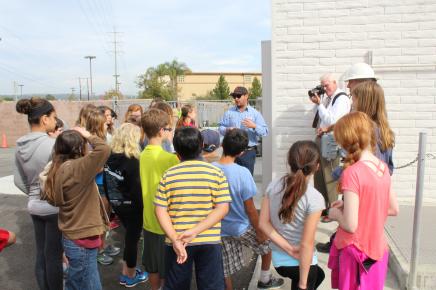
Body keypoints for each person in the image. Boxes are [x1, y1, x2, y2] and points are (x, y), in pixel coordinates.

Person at [327, 112, 399, 290]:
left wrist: (335, 214)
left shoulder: (352, 173)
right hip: (377, 250)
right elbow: (392, 208)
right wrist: (353, 203)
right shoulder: (382, 167)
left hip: (356, 253)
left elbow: (350, 225)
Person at [154, 127, 232, 290]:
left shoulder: (169, 175)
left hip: (178, 241)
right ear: (202, 145)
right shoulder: (216, 173)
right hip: (209, 240)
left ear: (176, 152)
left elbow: (160, 210)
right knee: (211, 285)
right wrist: (196, 230)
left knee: (176, 285)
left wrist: (175, 238)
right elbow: (222, 208)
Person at [315, 64, 379, 253]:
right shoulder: (336, 100)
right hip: (352, 165)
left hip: (353, 167)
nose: (349, 88)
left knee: (334, 185)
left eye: (351, 84)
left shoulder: (342, 100)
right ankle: (339, 239)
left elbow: (332, 121)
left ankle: (344, 242)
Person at [212, 129, 284, 290]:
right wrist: (260, 231)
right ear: (242, 152)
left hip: (218, 229)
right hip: (241, 227)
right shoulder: (243, 173)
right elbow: (250, 208)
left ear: (222, 144)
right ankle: (265, 279)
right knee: (267, 245)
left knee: (224, 269)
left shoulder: (211, 169)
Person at [42, 127, 111, 290]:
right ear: (79, 148)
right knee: (86, 284)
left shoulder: (58, 167)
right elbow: (104, 149)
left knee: (79, 281)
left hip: (71, 234)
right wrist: (87, 134)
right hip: (82, 236)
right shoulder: (77, 168)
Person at [259, 141, 325, 290]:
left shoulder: (273, 186)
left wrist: (288, 248)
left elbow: (263, 223)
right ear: (317, 167)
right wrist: (303, 283)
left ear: (290, 162)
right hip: (300, 262)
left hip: (278, 260)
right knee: (311, 277)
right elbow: (306, 244)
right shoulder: (315, 198)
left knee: (320, 275)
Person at [14, 98, 63, 290]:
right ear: (44, 119)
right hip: (52, 206)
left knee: (41, 254)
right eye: (53, 117)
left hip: (34, 205)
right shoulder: (53, 145)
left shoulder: (19, 145)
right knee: (54, 256)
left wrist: (34, 193)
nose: (56, 121)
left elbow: (19, 180)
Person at [104, 123, 149, 287]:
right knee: (132, 240)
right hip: (132, 207)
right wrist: (144, 207)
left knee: (129, 238)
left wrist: (114, 204)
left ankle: (127, 270)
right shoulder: (133, 162)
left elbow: (108, 184)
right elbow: (137, 191)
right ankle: (129, 275)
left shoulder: (110, 158)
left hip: (117, 204)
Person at [140, 108, 179, 290]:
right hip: (167, 222)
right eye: (168, 128)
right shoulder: (169, 159)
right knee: (169, 267)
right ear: (162, 131)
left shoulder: (142, 155)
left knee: (153, 266)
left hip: (149, 221)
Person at [309, 73, 351, 220]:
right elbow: (319, 117)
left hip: (332, 141)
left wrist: (320, 104)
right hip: (322, 139)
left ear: (335, 83)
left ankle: (333, 210)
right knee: (319, 175)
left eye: (326, 85)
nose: (325, 88)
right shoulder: (328, 98)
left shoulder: (341, 99)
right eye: (323, 86)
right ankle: (322, 208)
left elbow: (332, 120)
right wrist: (318, 103)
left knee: (330, 176)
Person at [219, 86, 268, 175]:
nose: (236, 99)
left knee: (247, 178)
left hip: (248, 153)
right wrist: (227, 129)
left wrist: (254, 126)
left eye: (238, 96)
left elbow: (265, 131)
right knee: (230, 178)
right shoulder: (229, 113)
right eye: (234, 96)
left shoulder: (255, 114)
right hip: (231, 152)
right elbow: (220, 128)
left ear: (246, 96)